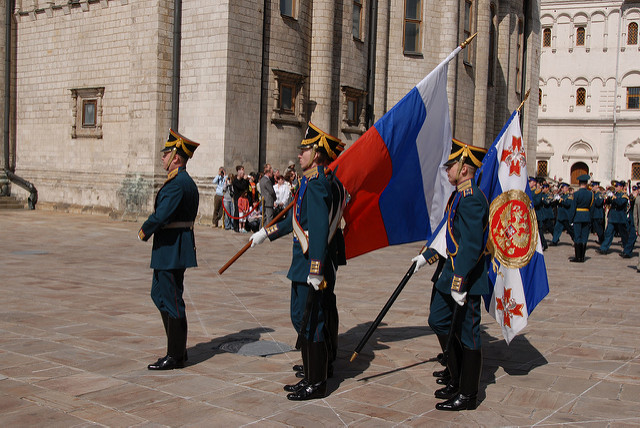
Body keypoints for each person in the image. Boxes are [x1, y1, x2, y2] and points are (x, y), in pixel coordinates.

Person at [249, 122, 346, 401]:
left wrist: (316, 268)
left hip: (308, 264)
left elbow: (316, 228)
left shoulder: (316, 185)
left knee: (308, 320)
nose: (300, 153)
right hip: (303, 262)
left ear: (316, 154)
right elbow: (297, 223)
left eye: (304, 149)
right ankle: (313, 371)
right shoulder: (310, 182)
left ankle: (316, 382)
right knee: (305, 318)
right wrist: (266, 234)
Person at [412, 139, 489, 411]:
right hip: (451, 274)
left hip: (465, 279)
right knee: (439, 321)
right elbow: (448, 238)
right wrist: (427, 256)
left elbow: (470, 245)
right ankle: (456, 377)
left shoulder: (472, 200)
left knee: (469, 335)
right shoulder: (458, 196)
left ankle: (467, 394)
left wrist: (459, 282)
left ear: (465, 169)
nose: (447, 171)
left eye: (451, 166)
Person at [138, 129, 199, 370]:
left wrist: (145, 229)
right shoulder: (181, 181)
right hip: (171, 247)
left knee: (173, 300)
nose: (162, 158)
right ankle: (177, 348)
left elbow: (162, 215)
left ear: (176, 157)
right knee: (159, 294)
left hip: (172, 248)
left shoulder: (177, 184)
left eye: (165, 154)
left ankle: (176, 355)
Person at [596, 181, 629, 255]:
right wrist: (607, 198)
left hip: (620, 218)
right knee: (608, 233)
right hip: (612, 217)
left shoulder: (624, 195)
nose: (616, 188)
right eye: (615, 186)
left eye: (617, 186)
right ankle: (603, 248)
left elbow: (621, 203)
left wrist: (613, 198)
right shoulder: (614, 194)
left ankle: (627, 250)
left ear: (621, 187)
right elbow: (608, 203)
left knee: (624, 235)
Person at [570, 174, 593, 262]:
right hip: (586, 216)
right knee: (584, 237)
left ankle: (577, 257)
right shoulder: (591, 194)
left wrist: (571, 219)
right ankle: (582, 257)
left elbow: (573, 207)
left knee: (577, 237)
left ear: (579, 183)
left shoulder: (576, 194)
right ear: (586, 183)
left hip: (578, 216)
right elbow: (592, 207)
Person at [620, 185, 637, 258]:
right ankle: (627, 251)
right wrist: (632, 196)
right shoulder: (636, 197)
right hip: (635, 220)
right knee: (632, 235)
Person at [232, 165, 249, 232]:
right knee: (237, 212)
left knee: (244, 213)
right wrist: (244, 180)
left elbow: (246, 187)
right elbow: (241, 187)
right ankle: (236, 227)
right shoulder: (235, 181)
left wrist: (247, 180)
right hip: (237, 198)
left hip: (244, 198)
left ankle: (243, 227)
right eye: (242, 173)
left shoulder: (243, 180)